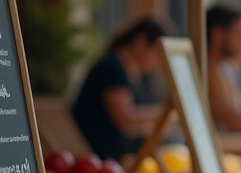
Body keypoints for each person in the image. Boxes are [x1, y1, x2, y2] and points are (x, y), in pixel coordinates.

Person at [72, 16, 172, 161]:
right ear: (141, 42)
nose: (158, 63)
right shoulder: (111, 68)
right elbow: (125, 118)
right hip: (99, 159)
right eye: (157, 55)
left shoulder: (141, 75)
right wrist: (168, 111)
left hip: (124, 158)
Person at [206, 3, 241, 133]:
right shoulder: (205, 73)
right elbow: (236, 121)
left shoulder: (221, 71)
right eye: (239, 34)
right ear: (217, 34)